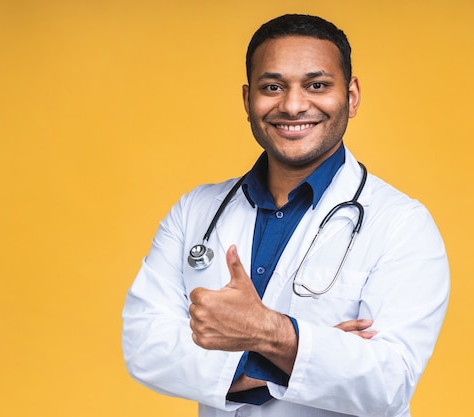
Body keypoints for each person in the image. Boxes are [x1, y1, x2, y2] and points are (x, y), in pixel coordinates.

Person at [122, 13, 449, 417]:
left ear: (352, 96)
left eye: (317, 85)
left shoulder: (402, 224)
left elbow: (387, 382)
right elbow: (145, 347)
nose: (293, 105)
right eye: (272, 87)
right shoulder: (195, 211)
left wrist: (264, 331)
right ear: (248, 100)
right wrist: (297, 352)